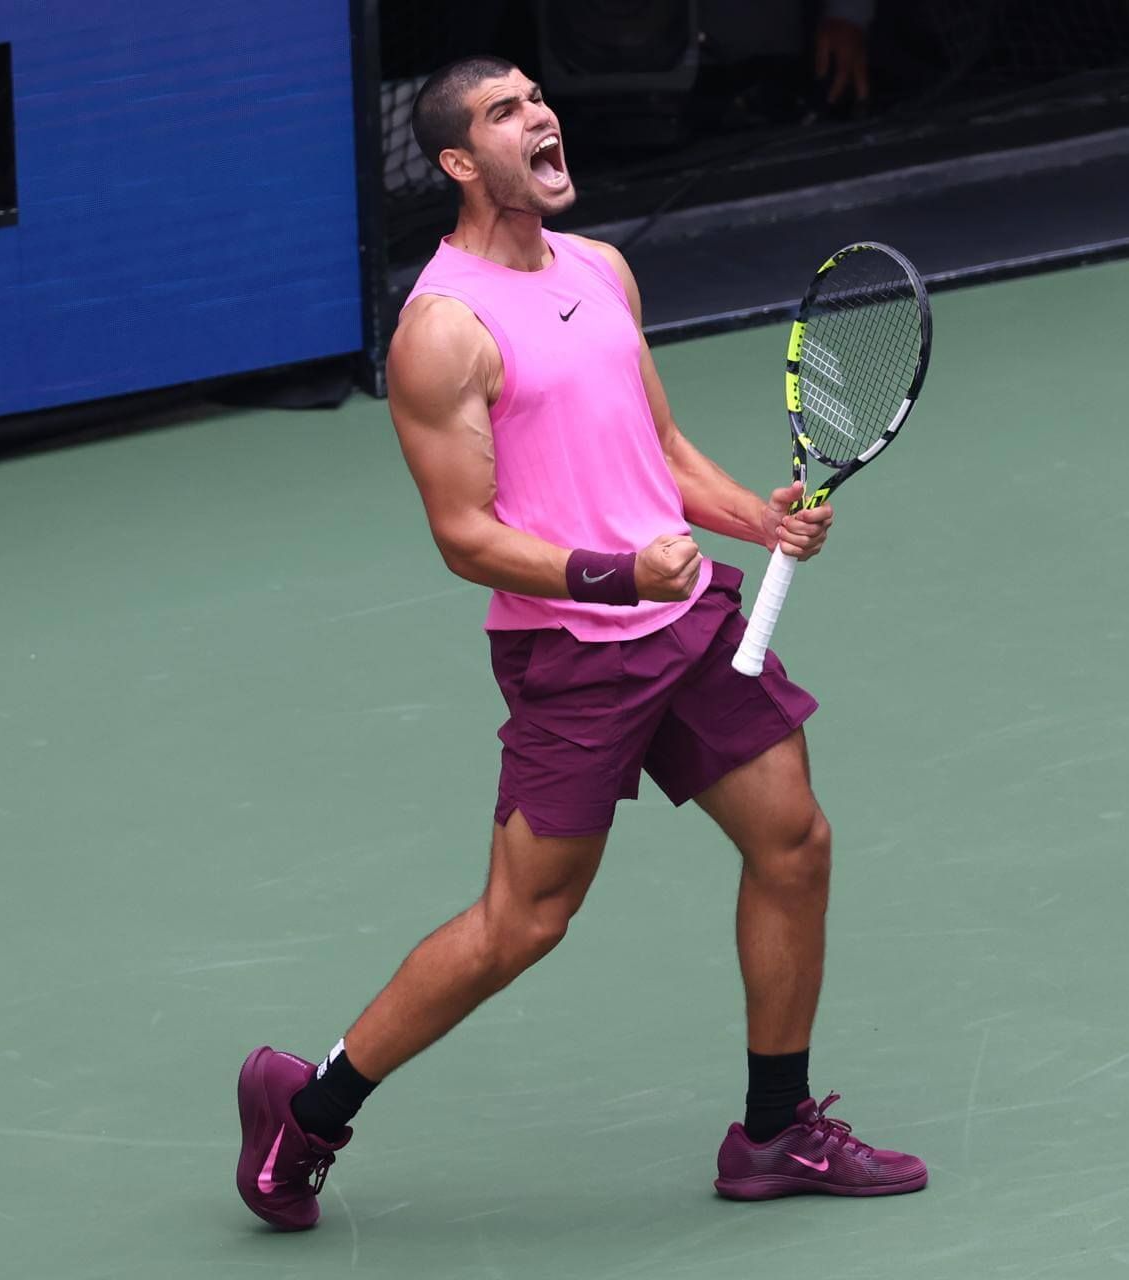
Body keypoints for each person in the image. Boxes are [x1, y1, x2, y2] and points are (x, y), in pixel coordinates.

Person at [234, 54, 926, 1230]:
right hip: (575, 653)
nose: (539, 115)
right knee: (526, 922)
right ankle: (309, 1106)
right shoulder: (441, 333)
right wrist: (613, 570)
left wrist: (753, 518)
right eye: (505, 112)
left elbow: (654, 442)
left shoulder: (601, 268)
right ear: (459, 162)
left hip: (687, 623)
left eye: (538, 98)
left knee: (794, 840)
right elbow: (464, 535)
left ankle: (773, 1131)